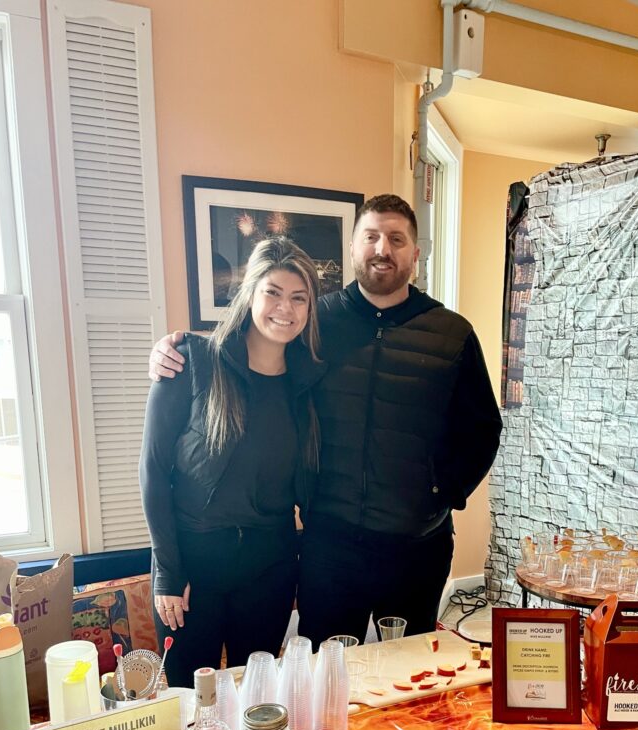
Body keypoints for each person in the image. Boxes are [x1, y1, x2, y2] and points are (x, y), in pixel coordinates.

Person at [150, 195, 502, 649]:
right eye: (371, 237)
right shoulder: (317, 321)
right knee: (325, 675)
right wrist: (174, 348)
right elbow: (255, 352)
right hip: (329, 547)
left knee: (412, 674)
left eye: (397, 239)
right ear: (353, 248)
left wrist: (442, 493)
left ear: (415, 254)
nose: (383, 249)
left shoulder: (452, 333)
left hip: (417, 547)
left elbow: (482, 428)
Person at [140, 237, 325, 685]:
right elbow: (153, 471)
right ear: (249, 294)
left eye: (299, 298)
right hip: (192, 568)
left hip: (271, 569)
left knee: (256, 703)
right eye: (273, 292)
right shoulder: (192, 361)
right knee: (190, 703)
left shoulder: (310, 381)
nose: (286, 308)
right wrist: (167, 571)